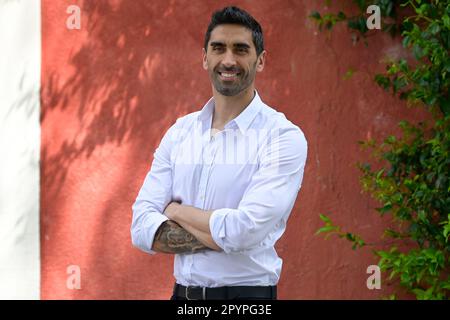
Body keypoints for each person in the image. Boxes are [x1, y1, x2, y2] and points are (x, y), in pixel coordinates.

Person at [131, 6, 308, 300]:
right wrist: (225, 235)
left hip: (245, 300)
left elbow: (244, 231)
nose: (228, 60)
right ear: (205, 57)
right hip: (182, 298)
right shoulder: (180, 132)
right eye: (218, 48)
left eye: (240, 49)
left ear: (260, 60)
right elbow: (140, 228)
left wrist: (174, 211)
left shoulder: (282, 137)